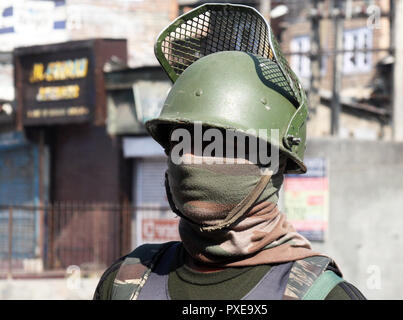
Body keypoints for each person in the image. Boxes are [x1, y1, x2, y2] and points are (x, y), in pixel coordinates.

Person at [93, 3, 365, 300]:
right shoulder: (127, 281)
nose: (191, 159)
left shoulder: (321, 295)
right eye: (182, 142)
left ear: (274, 162)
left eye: (222, 143)